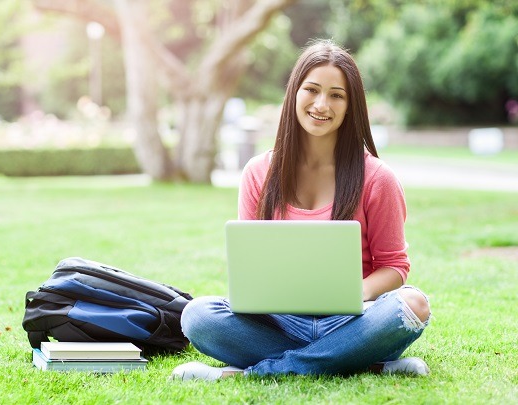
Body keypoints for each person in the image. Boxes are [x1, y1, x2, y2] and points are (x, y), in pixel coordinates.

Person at [171, 39, 431, 381]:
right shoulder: (258, 173)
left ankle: (257, 373)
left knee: (413, 305)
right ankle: (359, 361)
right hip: (280, 322)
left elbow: (395, 267)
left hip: (354, 320)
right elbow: (250, 265)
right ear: (294, 93)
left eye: (337, 95)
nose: (322, 104)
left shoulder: (377, 178)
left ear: (352, 106)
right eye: (312, 90)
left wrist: (358, 292)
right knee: (197, 316)